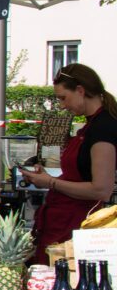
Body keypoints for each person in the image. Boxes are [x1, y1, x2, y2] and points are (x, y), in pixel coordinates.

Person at [19, 64, 117, 264]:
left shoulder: (103, 129)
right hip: (62, 221)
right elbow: (81, 176)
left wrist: (51, 183)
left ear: (80, 90)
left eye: (63, 98)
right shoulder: (91, 125)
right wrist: (48, 178)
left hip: (77, 227)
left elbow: (101, 189)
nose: (62, 106)